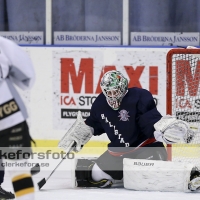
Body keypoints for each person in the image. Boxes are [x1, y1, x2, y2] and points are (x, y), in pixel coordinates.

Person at [62, 69, 200, 191]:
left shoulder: (139, 97)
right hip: (118, 154)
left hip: (147, 148)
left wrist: (162, 130)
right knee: (95, 175)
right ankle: (122, 177)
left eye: (115, 91)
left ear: (122, 88)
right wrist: (81, 133)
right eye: (108, 92)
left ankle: (191, 175)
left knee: (144, 175)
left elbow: (150, 122)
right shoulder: (100, 104)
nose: (112, 96)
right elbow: (94, 123)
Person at [0, 36, 36, 199]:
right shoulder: (2, 44)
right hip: (9, 115)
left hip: (10, 117)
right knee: (19, 170)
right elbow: (27, 78)